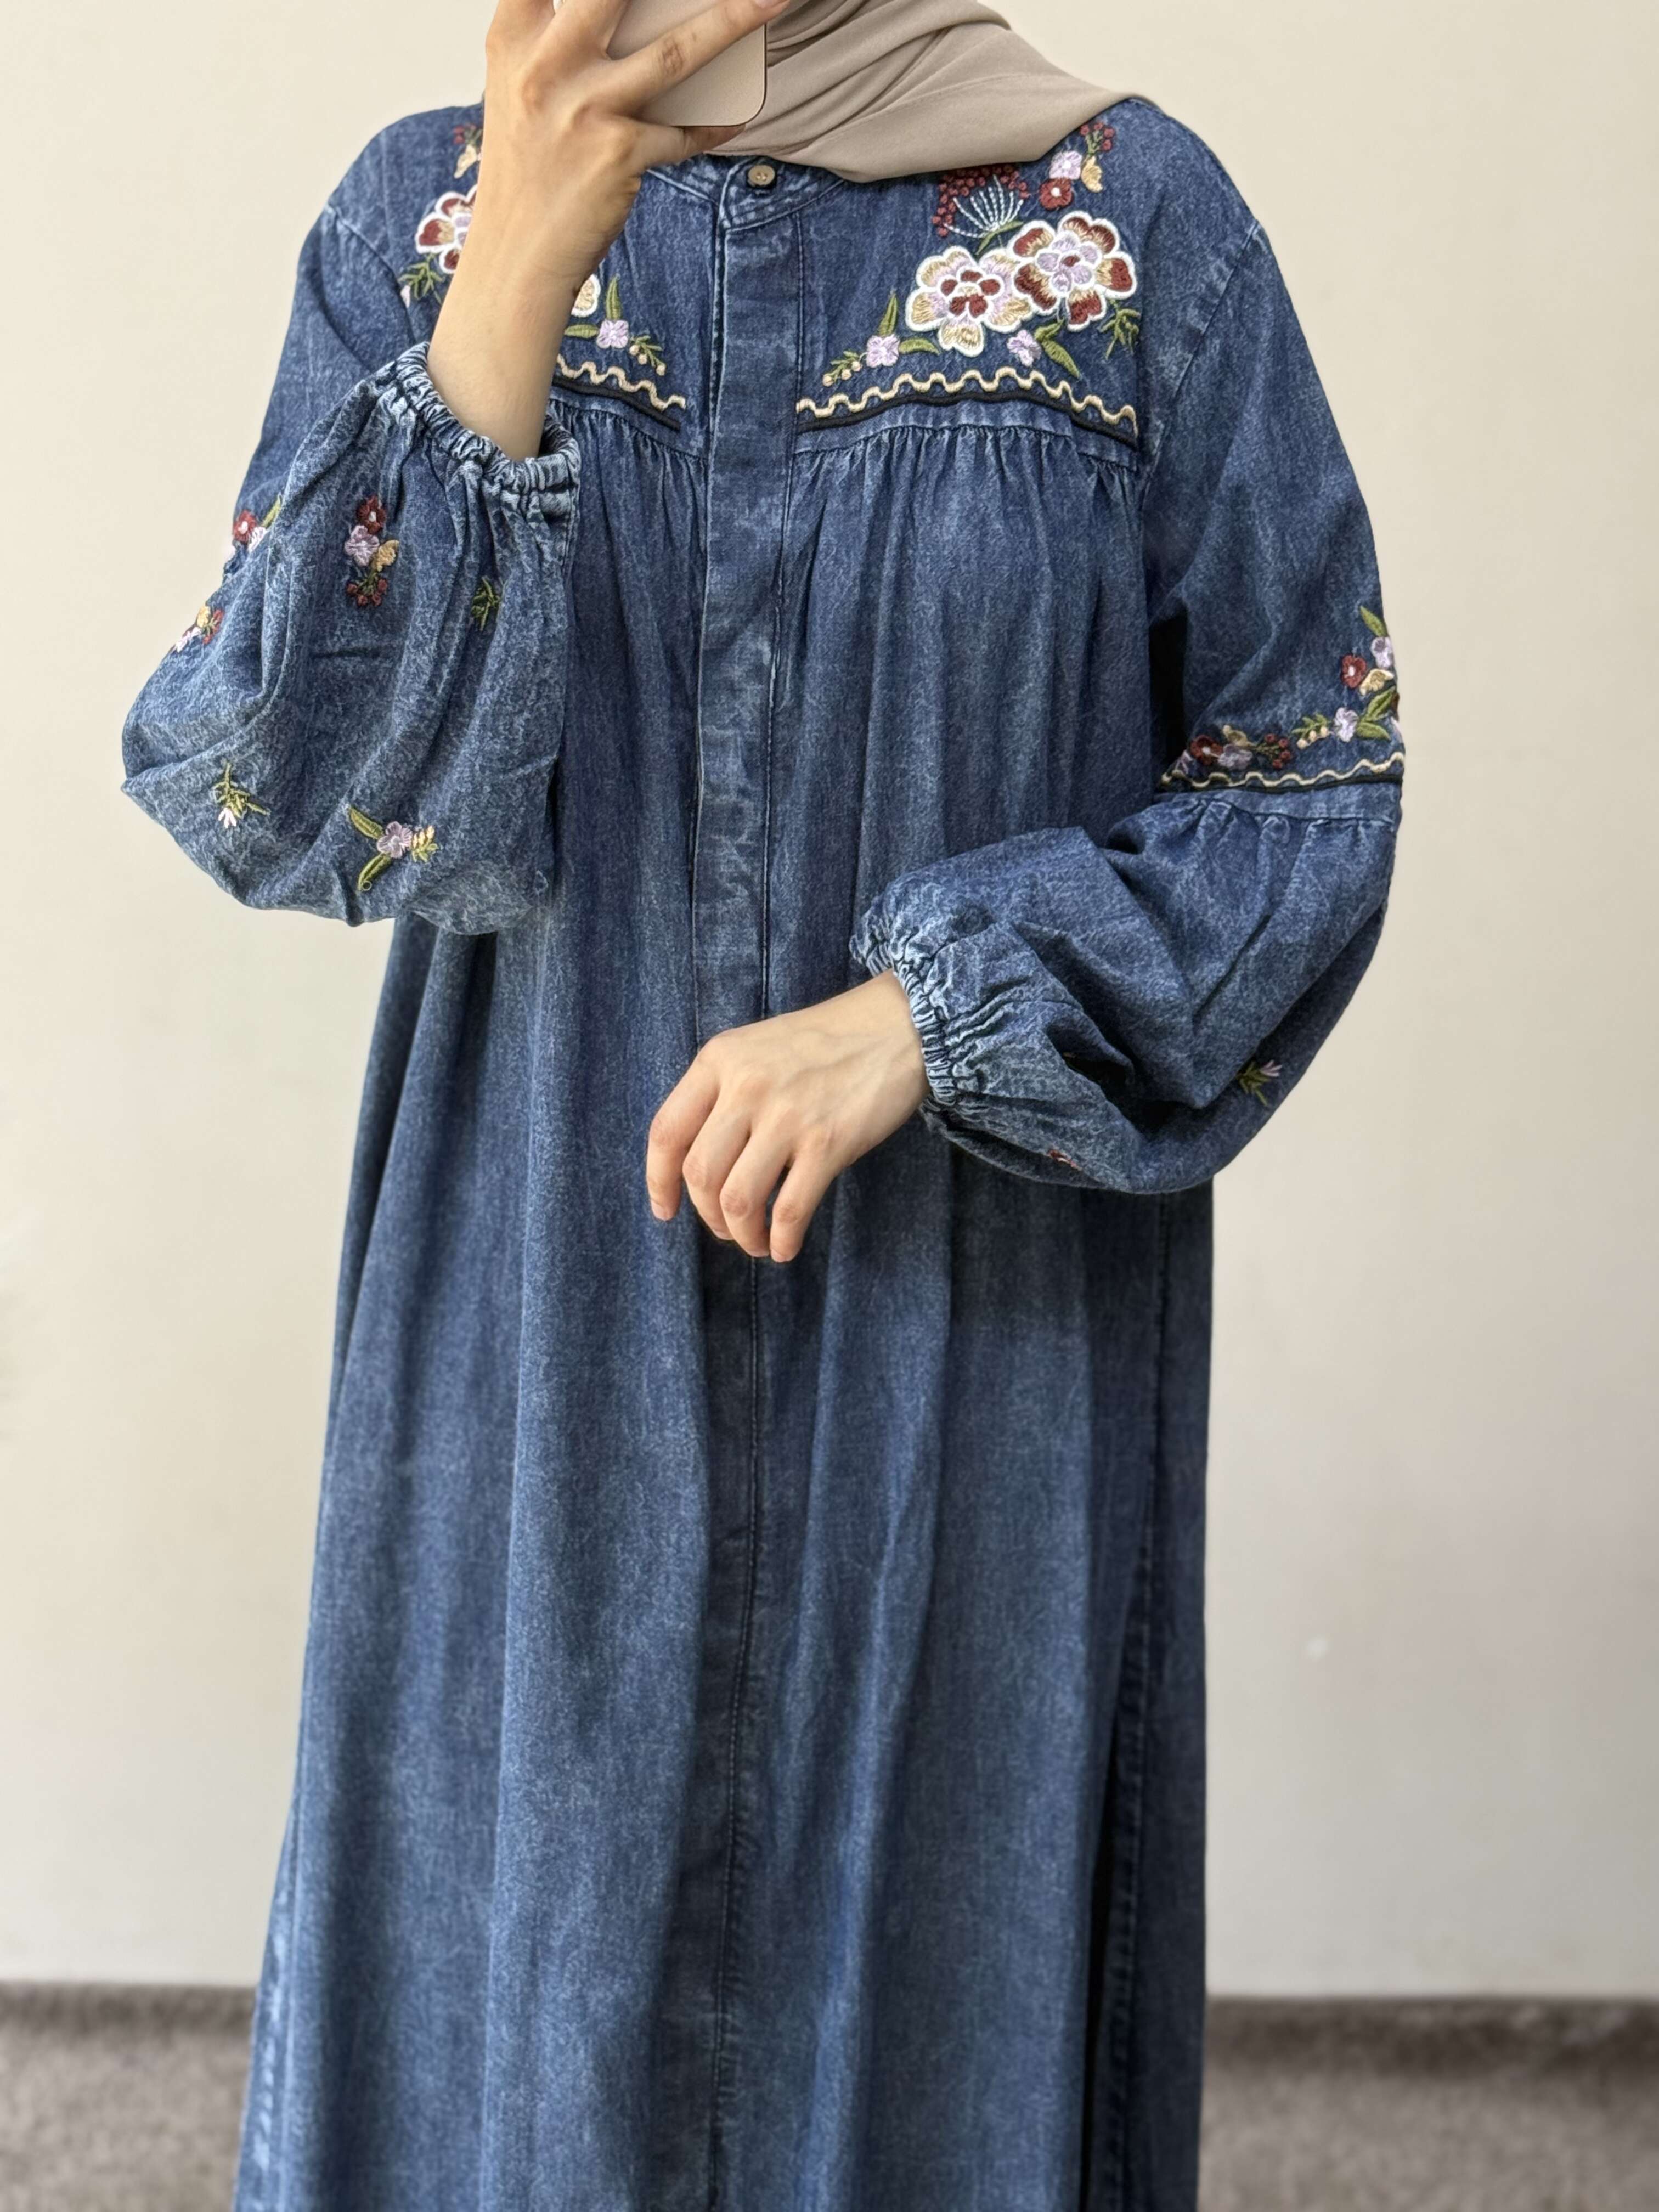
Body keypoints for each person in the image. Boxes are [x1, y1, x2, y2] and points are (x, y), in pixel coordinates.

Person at [119, 0, 1406, 2204]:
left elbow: (1310, 792)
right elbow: (276, 798)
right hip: (535, 1335)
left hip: (972, 1358)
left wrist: (934, 1011)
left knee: (925, 2039)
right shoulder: (425, 211)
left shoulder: (1129, 235)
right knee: (509, 2048)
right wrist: (506, 291)